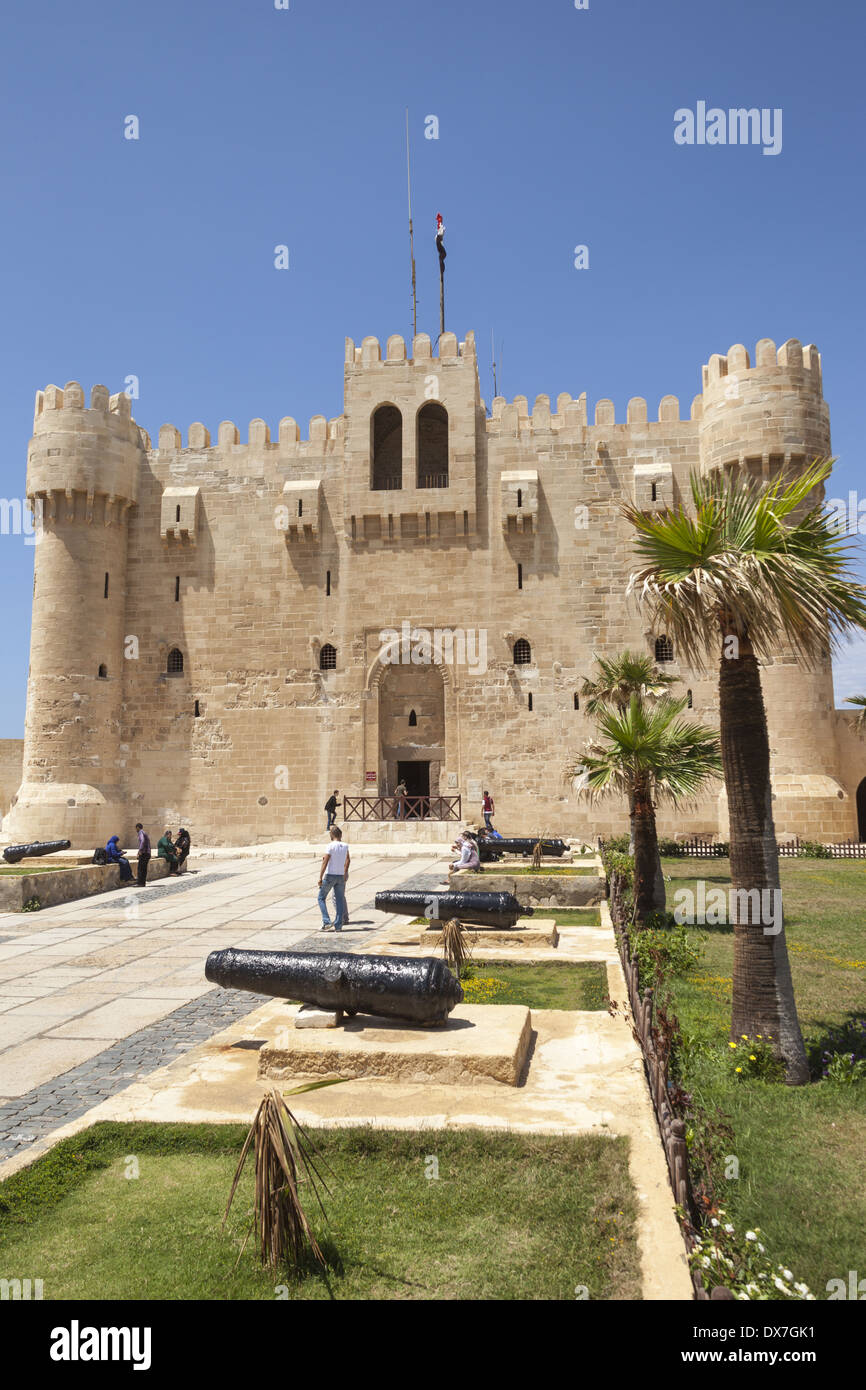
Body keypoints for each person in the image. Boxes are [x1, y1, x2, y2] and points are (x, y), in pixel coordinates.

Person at [317, 826, 349, 931]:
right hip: (340, 876)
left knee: (321, 898)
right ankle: (338, 925)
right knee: (340, 900)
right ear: (340, 835)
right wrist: (344, 873)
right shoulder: (345, 846)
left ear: (331, 835)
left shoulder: (330, 846)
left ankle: (326, 921)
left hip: (330, 875)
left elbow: (325, 861)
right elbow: (347, 860)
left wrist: (320, 877)